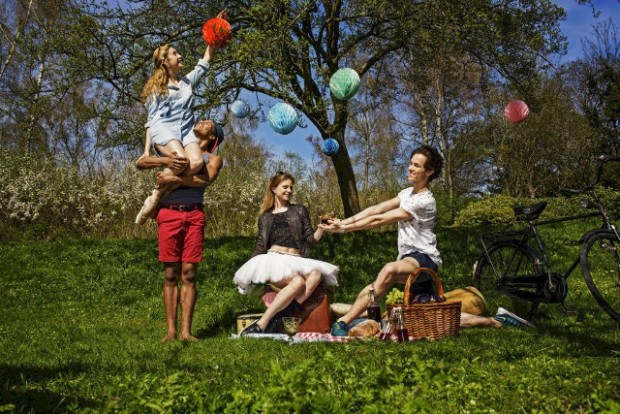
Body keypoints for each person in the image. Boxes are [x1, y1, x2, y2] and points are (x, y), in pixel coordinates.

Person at [321, 145, 533, 335]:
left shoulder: (425, 201)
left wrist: (344, 229)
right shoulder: (405, 193)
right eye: (410, 164)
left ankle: (343, 322)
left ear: (429, 172)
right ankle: (496, 321)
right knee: (432, 317)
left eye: (417, 165)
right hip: (408, 259)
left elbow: (379, 219)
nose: (411, 168)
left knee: (388, 271)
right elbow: (376, 208)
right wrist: (343, 221)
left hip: (423, 258)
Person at [136, 120, 224, 342]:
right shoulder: (175, 148)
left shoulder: (213, 159)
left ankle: (186, 332)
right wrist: (163, 160)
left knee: (189, 273)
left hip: (194, 215)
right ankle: (171, 332)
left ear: (213, 136)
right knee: (170, 274)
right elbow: (142, 162)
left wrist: (174, 178)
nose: (202, 120)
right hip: (169, 213)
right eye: (202, 119)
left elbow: (204, 180)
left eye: (209, 123)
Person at [135, 11, 226, 225]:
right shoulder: (158, 89)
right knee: (183, 160)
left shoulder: (186, 82)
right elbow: (150, 121)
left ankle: (158, 193)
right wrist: (147, 150)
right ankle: (157, 197)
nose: (180, 56)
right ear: (166, 62)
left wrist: (215, 30)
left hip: (185, 130)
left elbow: (206, 61)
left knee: (194, 163)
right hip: (164, 129)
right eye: (175, 54)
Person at [234, 172, 339, 335]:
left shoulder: (300, 210)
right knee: (297, 282)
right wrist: (249, 273)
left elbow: (310, 240)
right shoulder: (265, 217)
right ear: (274, 189)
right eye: (285, 187)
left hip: (296, 259)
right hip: (274, 262)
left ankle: (279, 319)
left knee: (316, 275)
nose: (289, 190)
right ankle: (262, 323)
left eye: (291, 187)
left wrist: (321, 228)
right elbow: (261, 246)